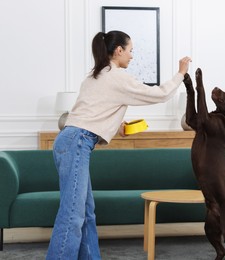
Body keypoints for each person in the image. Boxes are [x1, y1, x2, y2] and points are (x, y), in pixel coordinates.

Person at [46, 30, 191, 260]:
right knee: (72, 215)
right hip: (77, 142)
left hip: (70, 140)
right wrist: (181, 74)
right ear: (119, 50)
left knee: (86, 213)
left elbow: (90, 110)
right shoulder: (117, 76)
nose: (132, 56)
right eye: (130, 50)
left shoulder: (96, 75)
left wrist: (116, 123)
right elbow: (160, 94)